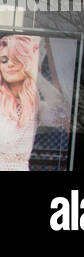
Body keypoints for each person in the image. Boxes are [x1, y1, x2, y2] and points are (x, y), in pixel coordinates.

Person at [0, 35, 39, 171]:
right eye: (4, 60)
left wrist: (34, 76)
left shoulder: (33, 101)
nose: (9, 64)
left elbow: (60, 109)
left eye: (16, 59)